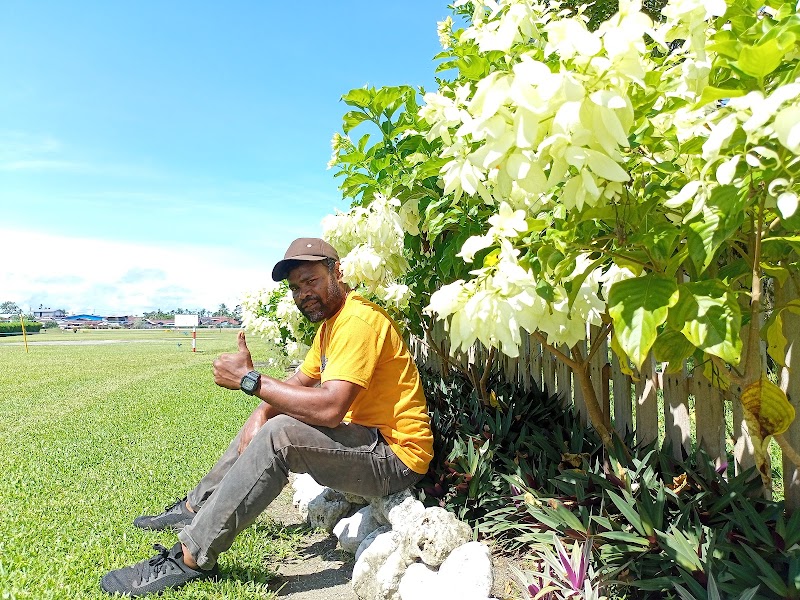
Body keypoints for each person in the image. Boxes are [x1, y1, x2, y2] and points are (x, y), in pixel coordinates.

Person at [100, 237, 434, 597]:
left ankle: (191, 556)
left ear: (337, 272)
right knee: (267, 420)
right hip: (365, 440)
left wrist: (251, 381)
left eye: (311, 281)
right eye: (295, 288)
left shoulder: (358, 322)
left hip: (395, 457)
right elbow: (300, 381)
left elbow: (330, 408)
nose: (304, 294)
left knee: (280, 434)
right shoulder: (331, 325)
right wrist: (260, 410)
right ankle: (194, 507)